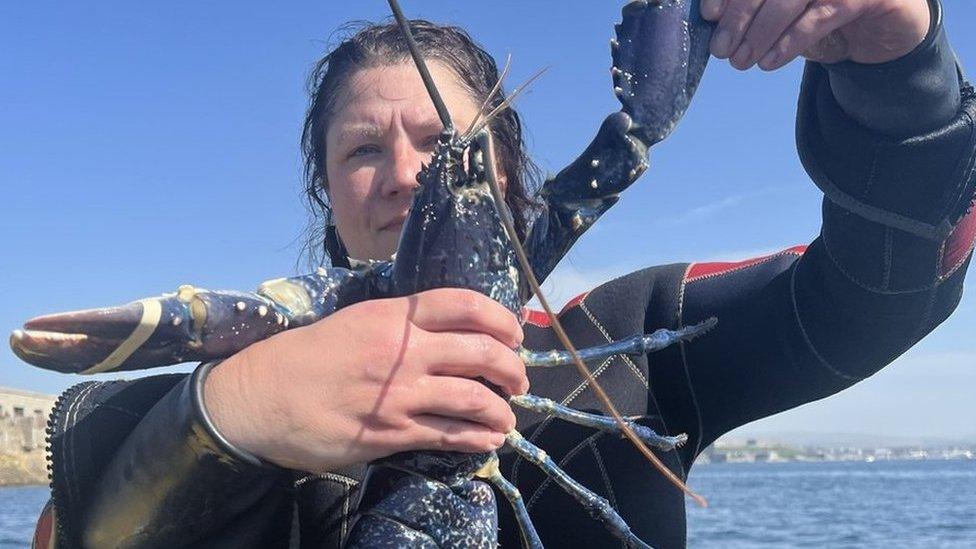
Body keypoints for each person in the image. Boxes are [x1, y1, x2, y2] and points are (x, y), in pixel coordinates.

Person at [33, 0, 974, 547]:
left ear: (514, 179)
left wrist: (901, 65)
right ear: (325, 189)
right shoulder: (234, 376)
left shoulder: (620, 344)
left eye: (447, 146)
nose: (404, 173)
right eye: (363, 149)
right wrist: (228, 417)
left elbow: (880, 292)